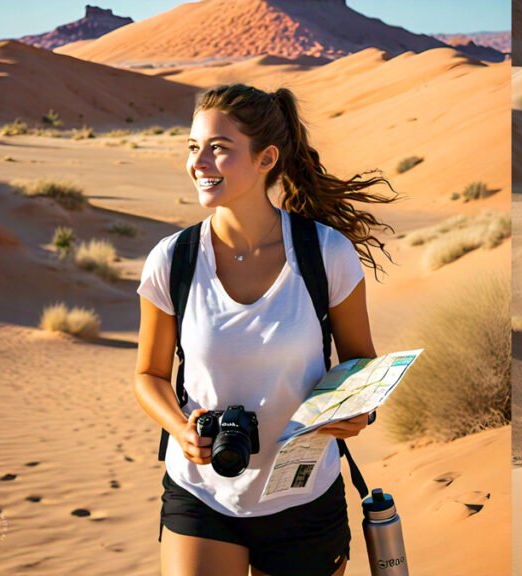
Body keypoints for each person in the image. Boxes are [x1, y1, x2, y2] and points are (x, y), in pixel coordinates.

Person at [133, 83, 396, 576]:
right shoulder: (173, 260)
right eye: (193, 147)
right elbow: (148, 374)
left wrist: (358, 412)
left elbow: (361, 363)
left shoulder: (326, 253)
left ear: (266, 158)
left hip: (306, 496)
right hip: (202, 495)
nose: (199, 163)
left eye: (219, 149)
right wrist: (181, 431)